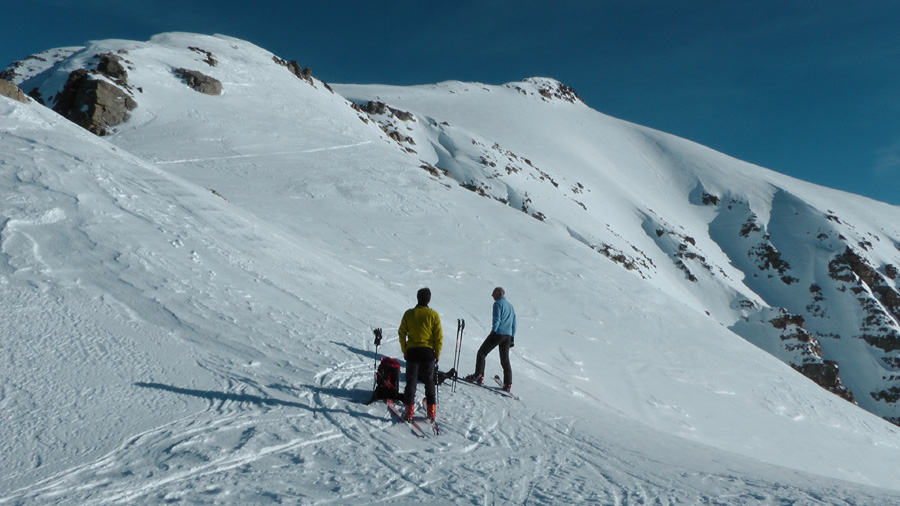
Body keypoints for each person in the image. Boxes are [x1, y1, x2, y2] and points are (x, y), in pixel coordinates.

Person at [398, 287, 443, 421]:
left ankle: (409, 410)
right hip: (428, 352)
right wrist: (437, 353)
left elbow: (401, 333)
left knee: (411, 382)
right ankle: (431, 411)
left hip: (412, 351)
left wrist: (404, 349)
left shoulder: (409, 313)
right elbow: (438, 337)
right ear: (428, 299)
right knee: (429, 381)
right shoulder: (433, 315)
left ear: (417, 298)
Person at [465, 287, 517, 392]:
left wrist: (493, 331)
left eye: (493, 294)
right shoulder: (510, 306)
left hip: (498, 333)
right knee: (505, 359)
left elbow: (497, 319)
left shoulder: (498, 304)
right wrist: (512, 337)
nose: (492, 296)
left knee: (482, 353)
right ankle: (508, 384)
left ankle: (478, 375)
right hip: (508, 335)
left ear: (498, 294)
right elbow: (514, 323)